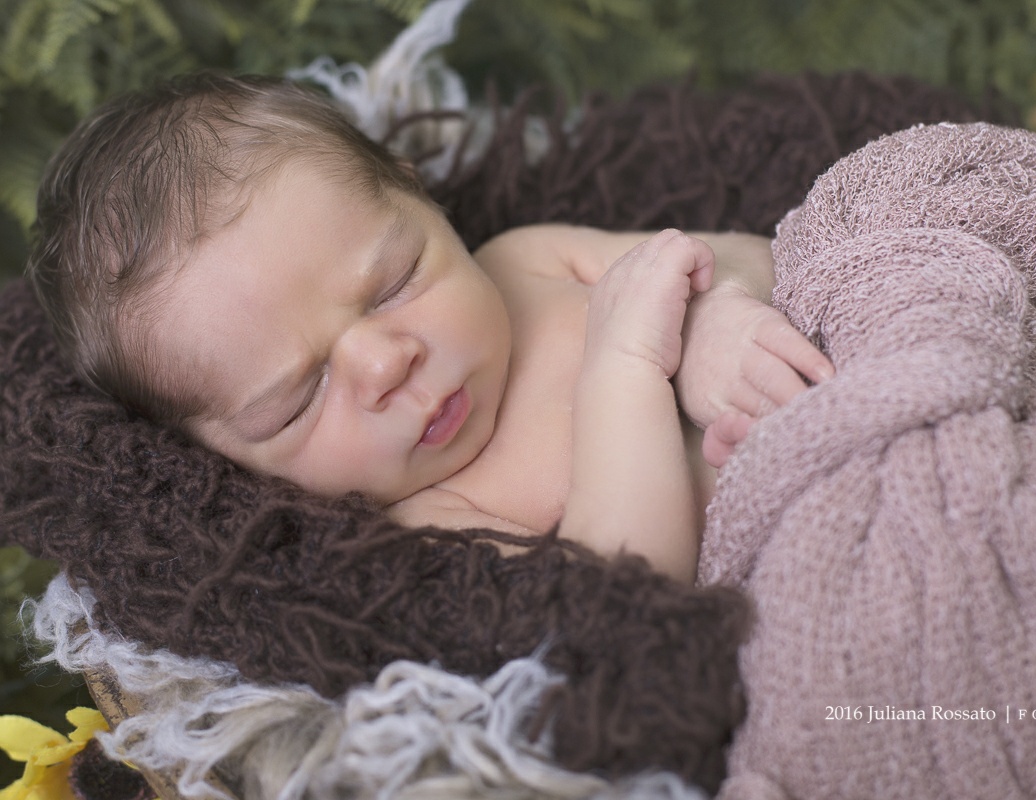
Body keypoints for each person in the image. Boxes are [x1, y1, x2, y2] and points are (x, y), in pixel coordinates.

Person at [26, 73, 834, 583]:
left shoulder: (529, 261)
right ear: (221, 465)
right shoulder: (433, 523)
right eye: (297, 400)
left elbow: (752, 252)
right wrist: (627, 369)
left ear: (422, 201)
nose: (384, 364)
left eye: (391, 284)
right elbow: (623, 597)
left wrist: (720, 316)